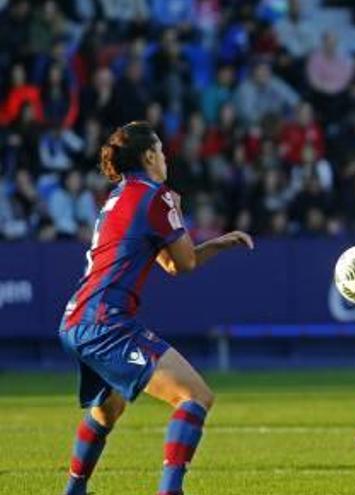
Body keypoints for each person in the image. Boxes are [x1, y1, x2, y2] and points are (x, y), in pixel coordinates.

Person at [58, 121, 254, 495]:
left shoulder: (117, 197)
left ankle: (74, 490)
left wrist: (219, 243)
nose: (165, 158)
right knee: (195, 397)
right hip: (106, 323)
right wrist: (177, 213)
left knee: (107, 410)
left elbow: (170, 263)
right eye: (162, 151)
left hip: (75, 319)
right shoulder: (156, 196)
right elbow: (184, 265)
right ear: (149, 156)